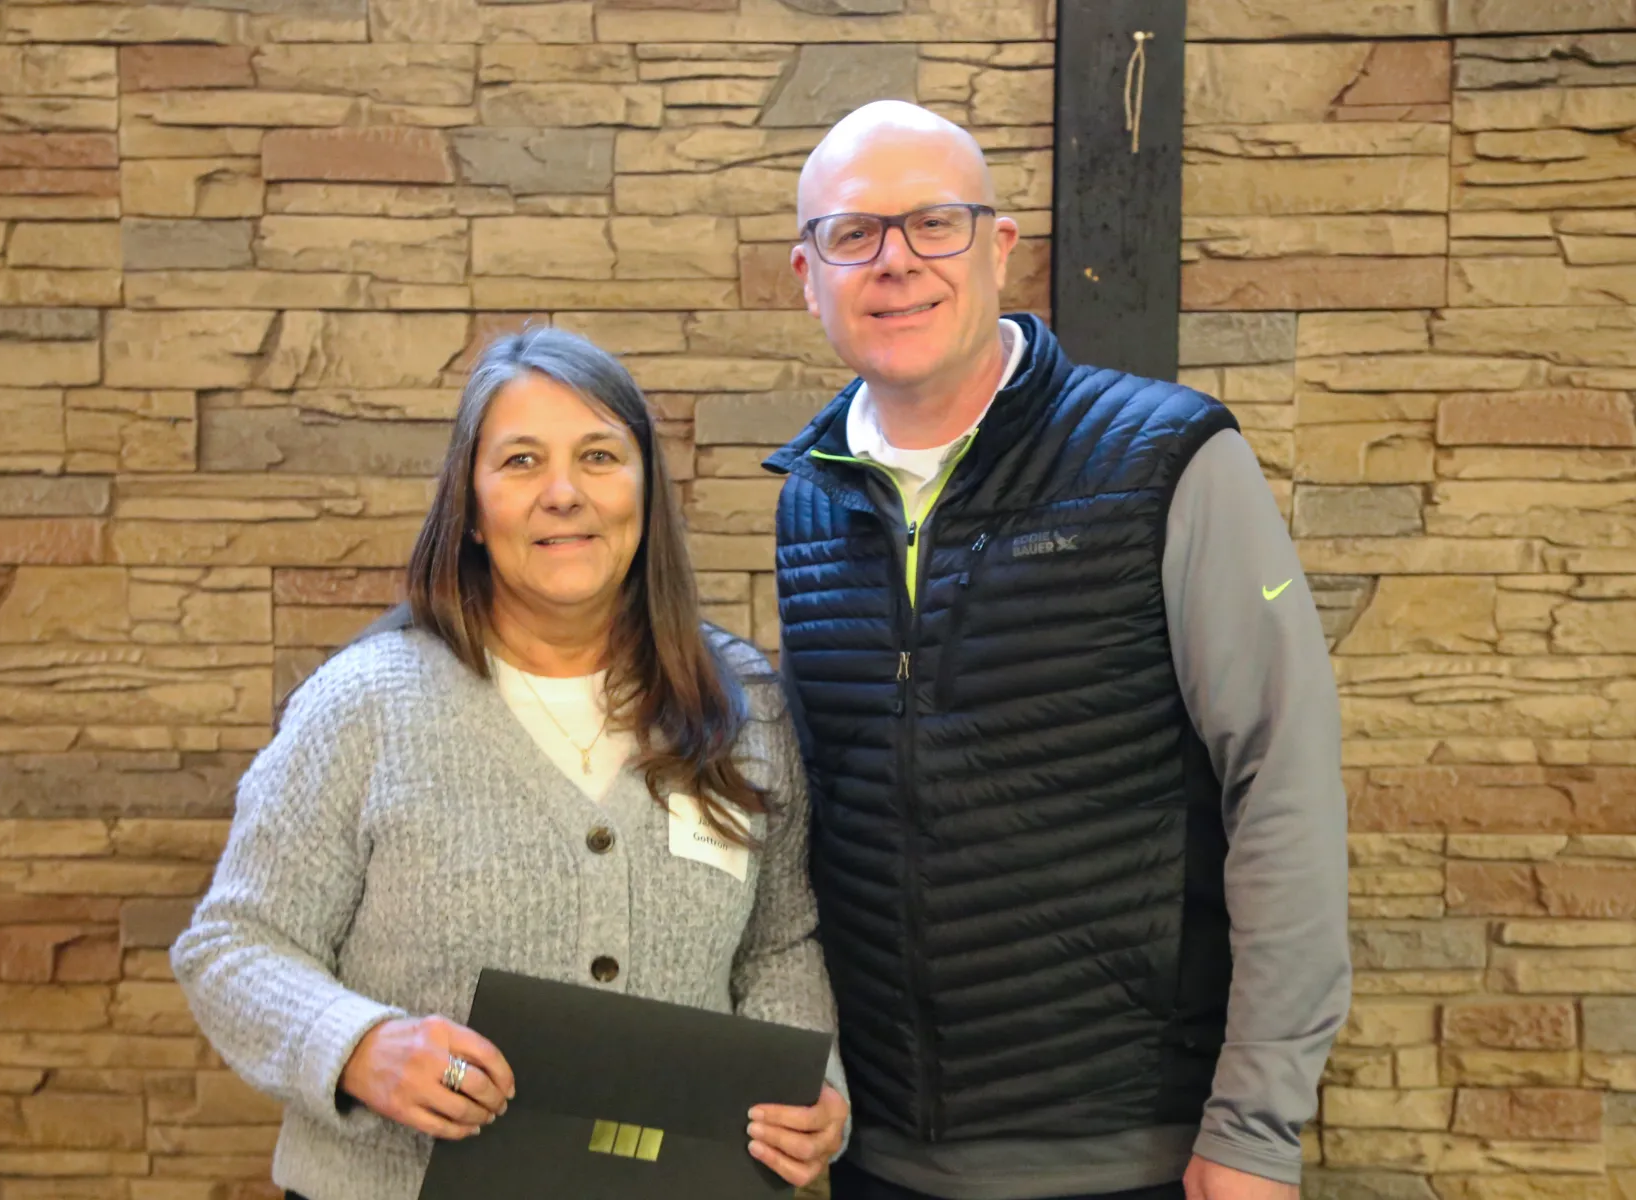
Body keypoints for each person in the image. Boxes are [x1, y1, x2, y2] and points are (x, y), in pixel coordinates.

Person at [764, 101, 1350, 1200]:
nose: (896, 261)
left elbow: (1285, 788)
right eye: (854, 234)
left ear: (998, 249)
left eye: (934, 223)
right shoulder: (810, 501)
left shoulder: (1169, 460)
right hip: (878, 1158)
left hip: (1132, 1154)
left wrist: (1255, 1127)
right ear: (807, 275)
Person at [172, 327, 850, 1200]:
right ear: (471, 507)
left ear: (646, 493)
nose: (563, 494)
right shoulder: (364, 707)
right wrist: (360, 1047)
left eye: (599, 456)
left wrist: (811, 1084)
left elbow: (778, 942)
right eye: (522, 461)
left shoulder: (742, 703)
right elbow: (231, 945)